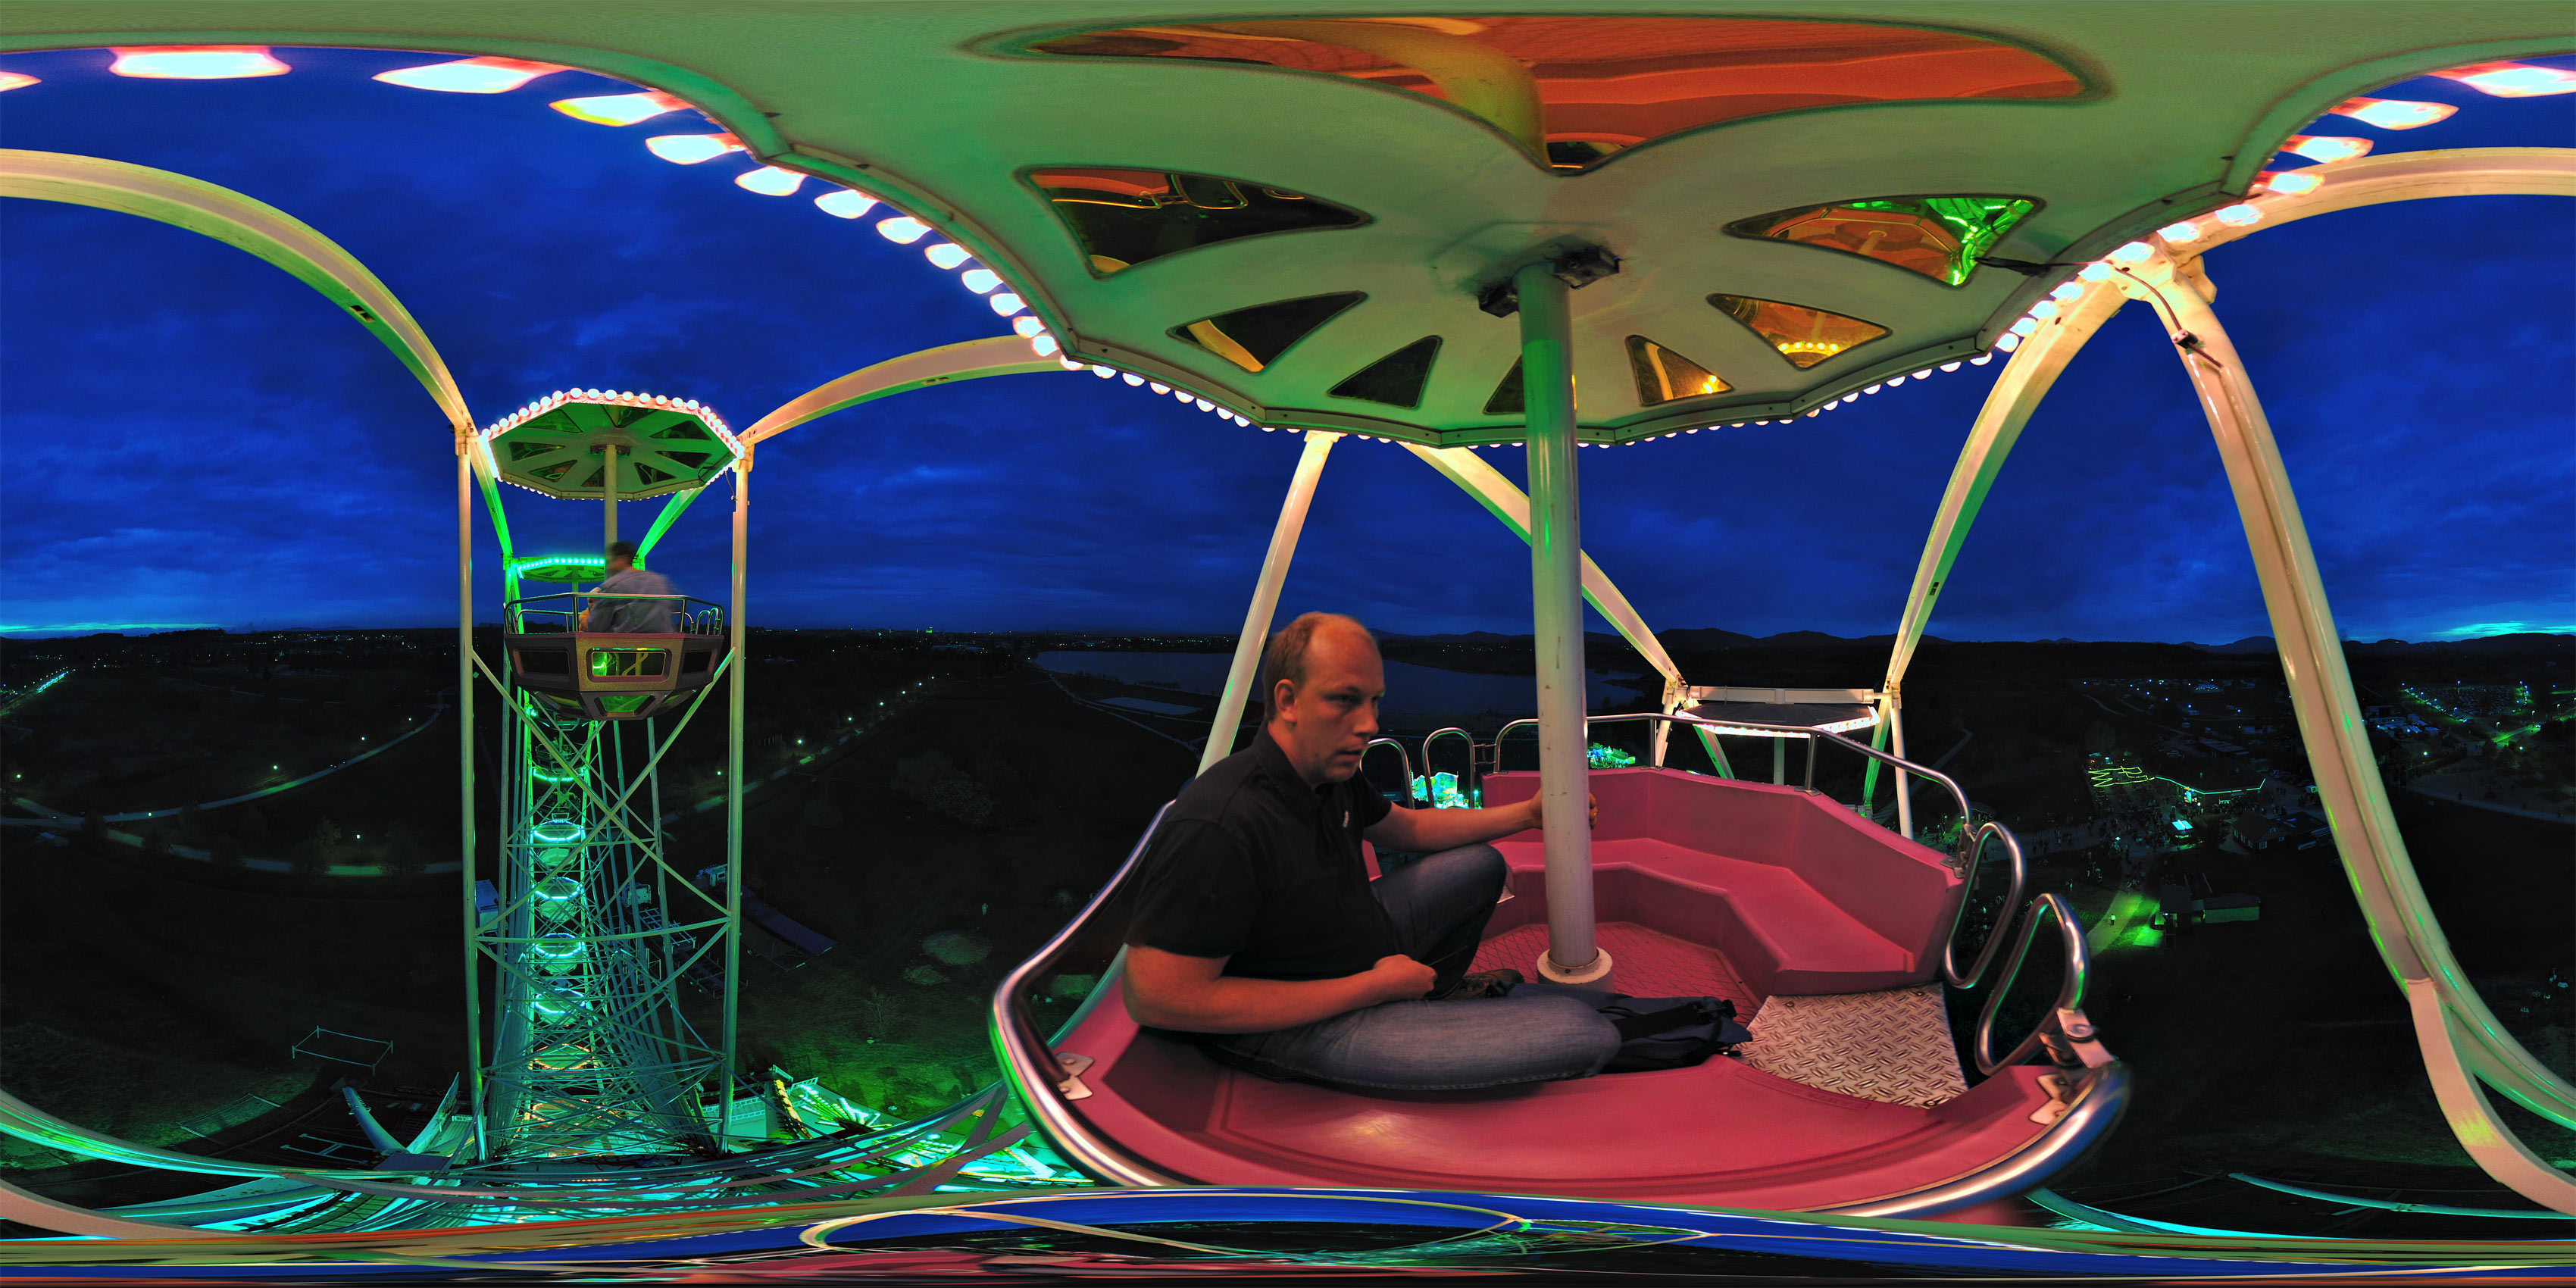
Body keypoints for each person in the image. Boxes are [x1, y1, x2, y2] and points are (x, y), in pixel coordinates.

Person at [1121, 611, 1619, 1092]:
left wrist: (1527, 816)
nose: (1368, 725)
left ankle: (1435, 994)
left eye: (1375, 702)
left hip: (1354, 946)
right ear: (1288, 701)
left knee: (1481, 864)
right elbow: (1158, 997)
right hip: (1297, 1017)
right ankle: (1400, 1008)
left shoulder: (1329, 775)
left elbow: (1410, 829)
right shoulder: (1221, 823)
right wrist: (1372, 989)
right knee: (1585, 1032)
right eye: (1345, 700)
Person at [578, 540, 680, 633]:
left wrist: (584, 619)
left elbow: (596, 627)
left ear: (622, 559)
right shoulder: (661, 581)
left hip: (626, 649)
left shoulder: (612, 586)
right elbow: (679, 605)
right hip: (666, 648)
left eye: (611, 562)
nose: (609, 567)